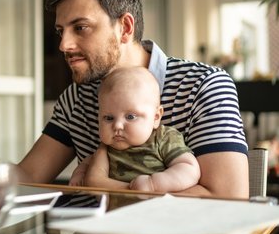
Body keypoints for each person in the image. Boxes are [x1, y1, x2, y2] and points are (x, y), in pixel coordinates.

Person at [0, 0, 249, 198]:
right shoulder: (75, 99)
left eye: (81, 28)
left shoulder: (204, 85)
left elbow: (229, 199)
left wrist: (118, 191)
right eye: (61, 31)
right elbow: (30, 176)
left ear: (125, 28)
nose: (64, 45)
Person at [69, 66, 200, 193]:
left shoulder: (163, 138)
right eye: (109, 118)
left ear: (156, 117)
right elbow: (88, 163)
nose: (117, 126)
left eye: (130, 117)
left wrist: (153, 184)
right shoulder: (107, 148)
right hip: (113, 212)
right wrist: (79, 174)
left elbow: (189, 168)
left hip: (154, 209)